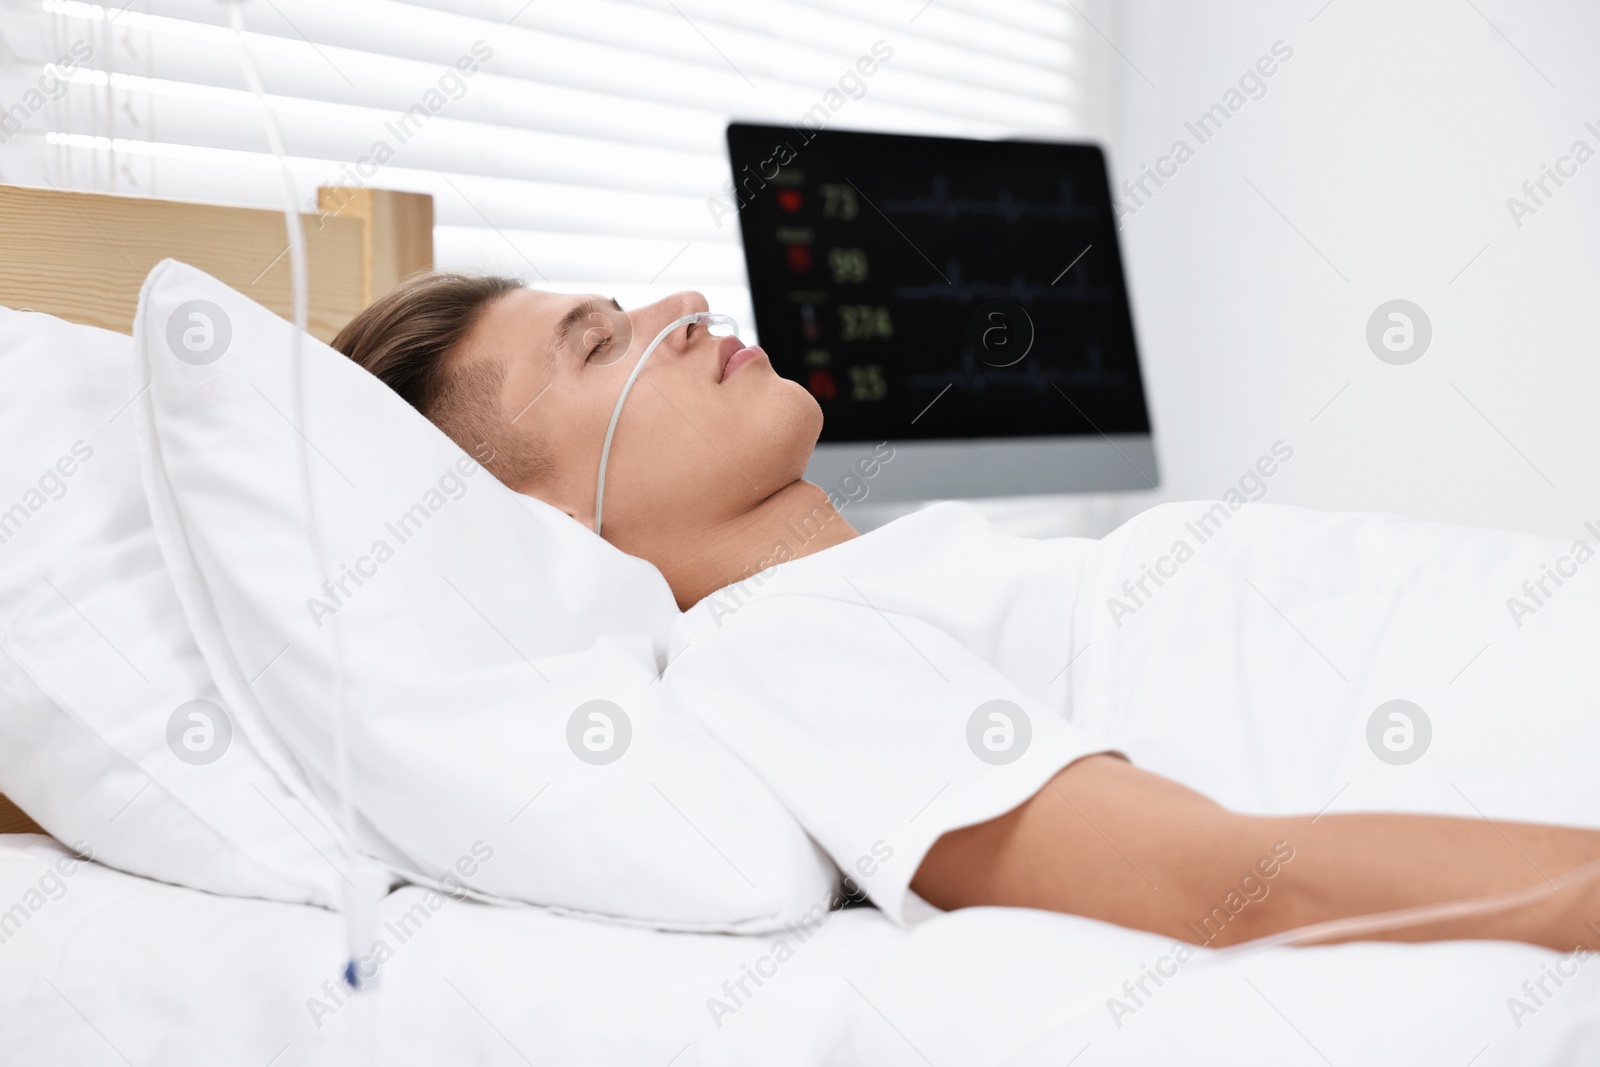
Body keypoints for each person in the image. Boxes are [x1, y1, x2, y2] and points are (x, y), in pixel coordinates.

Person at [332, 272, 1600, 953]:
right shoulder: (766, 653)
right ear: (538, 529)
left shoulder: (881, 585)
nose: (681, 305)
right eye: (599, 345)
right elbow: (1228, 882)